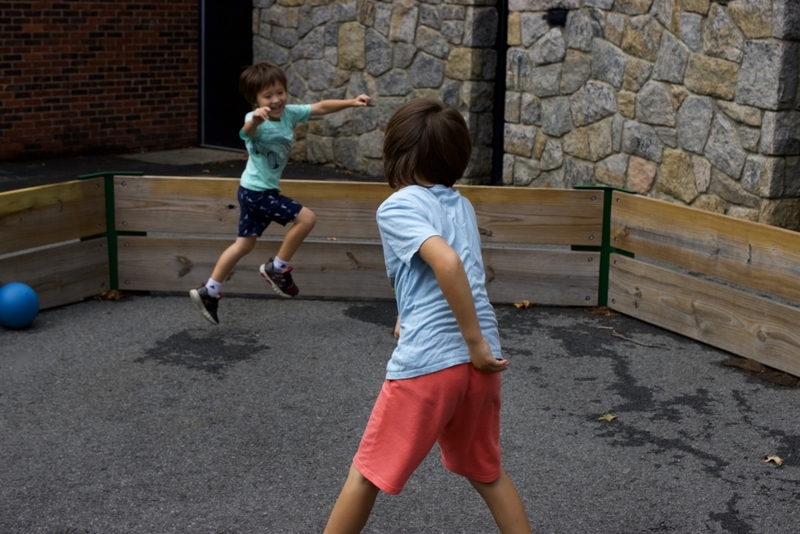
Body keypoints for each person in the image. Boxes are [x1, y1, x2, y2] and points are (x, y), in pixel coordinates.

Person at [324, 98, 532, 533]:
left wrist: (470, 342)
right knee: (487, 472)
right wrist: (469, 342)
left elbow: (449, 265)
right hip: (482, 363)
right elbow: (448, 275)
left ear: (396, 152)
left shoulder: (397, 206)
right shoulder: (462, 205)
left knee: (365, 475)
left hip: (433, 363)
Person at [190, 61, 370, 325]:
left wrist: (351, 102)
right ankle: (277, 269)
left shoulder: (288, 114)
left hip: (252, 190)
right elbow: (246, 132)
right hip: (258, 193)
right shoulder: (254, 120)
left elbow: (319, 107)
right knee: (306, 218)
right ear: (255, 100)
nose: (276, 100)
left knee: (244, 245)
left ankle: (210, 291)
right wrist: (255, 118)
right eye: (268, 95)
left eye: (280, 92)